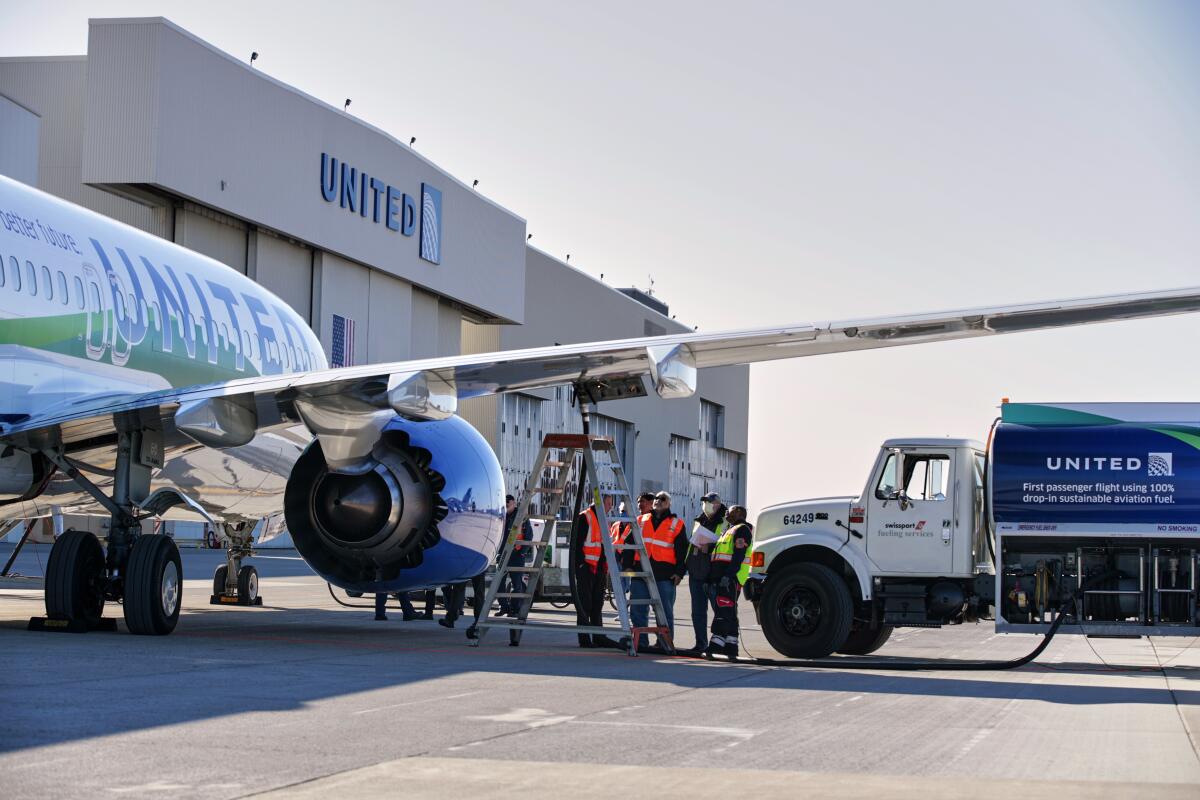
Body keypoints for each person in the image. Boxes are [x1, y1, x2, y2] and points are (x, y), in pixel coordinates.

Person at [624, 490, 687, 652]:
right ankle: (641, 642)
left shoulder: (677, 524)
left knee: (664, 612)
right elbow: (628, 543)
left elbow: (682, 551)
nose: (659, 500)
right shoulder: (641, 520)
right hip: (640, 572)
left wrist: (679, 573)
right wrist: (627, 566)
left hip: (664, 575)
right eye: (657, 498)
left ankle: (664, 643)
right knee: (638, 609)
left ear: (669, 503)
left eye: (663, 499)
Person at [571, 493, 620, 648]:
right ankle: (584, 639)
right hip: (586, 567)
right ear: (600, 503)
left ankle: (599, 637)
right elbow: (577, 544)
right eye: (608, 504)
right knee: (585, 604)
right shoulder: (585, 517)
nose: (610, 507)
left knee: (597, 604)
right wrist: (580, 565)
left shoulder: (603, 519)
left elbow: (603, 544)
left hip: (598, 568)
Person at [705, 504, 754, 659]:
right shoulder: (728, 530)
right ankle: (731, 647)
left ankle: (716, 645)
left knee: (723, 611)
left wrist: (728, 576)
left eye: (730, 510)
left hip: (730, 579)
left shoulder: (742, 530)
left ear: (739, 513)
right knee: (730, 613)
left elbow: (739, 555)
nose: (726, 512)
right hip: (722, 578)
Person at [685, 492, 727, 653]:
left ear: (717, 503)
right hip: (696, 572)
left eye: (709, 502)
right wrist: (685, 567)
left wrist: (708, 548)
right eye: (704, 502)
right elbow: (691, 545)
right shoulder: (699, 520)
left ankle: (719, 645)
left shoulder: (725, 521)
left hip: (714, 574)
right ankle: (700, 643)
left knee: (720, 612)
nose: (706, 505)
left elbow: (726, 545)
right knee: (697, 612)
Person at [498, 494, 533, 617]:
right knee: (498, 582)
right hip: (502, 554)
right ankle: (504, 607)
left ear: (514, 504)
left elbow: (529, 536)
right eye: (505, 502)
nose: (507, 504)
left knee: (516, 584)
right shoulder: (501, 516)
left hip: (516, 555)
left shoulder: (522, 517)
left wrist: (522, 552)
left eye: (509, 503)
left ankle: (515, 608)